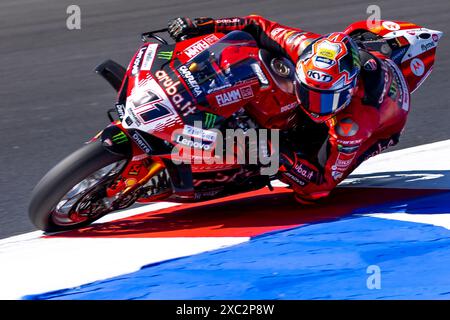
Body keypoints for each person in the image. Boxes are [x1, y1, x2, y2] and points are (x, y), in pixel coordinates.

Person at [167, 15, 409, 204]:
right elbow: (255, 25)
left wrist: (282, 158)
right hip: (345, 78)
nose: (314, 106)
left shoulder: (354, 124)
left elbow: (320, 187)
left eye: (324, 99)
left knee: (303, 166)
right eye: (308, 93)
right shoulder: (303, 45)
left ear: (347, 90)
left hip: (378, 128)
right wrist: (208, 24)